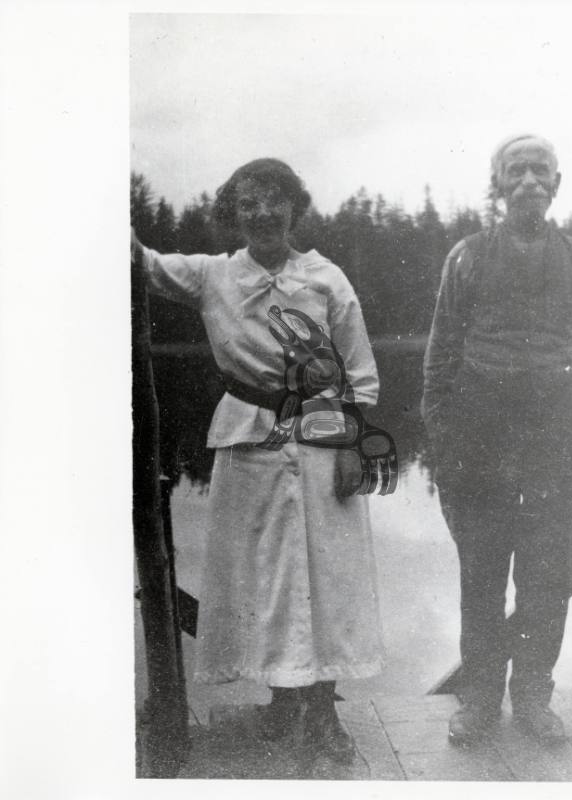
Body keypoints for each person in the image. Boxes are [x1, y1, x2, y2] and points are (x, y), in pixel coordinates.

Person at [131, 158, 387, 764]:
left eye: (274, 201)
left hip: (324, 442)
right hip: (249, 444)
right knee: (264, 576)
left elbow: (360, 370)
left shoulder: (327, 278)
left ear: (294, 208)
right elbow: (140, 261)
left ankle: (323, 712)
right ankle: (281, 700)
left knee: (326, 574)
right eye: (249, 203)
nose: (263, 214)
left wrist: (353, 445)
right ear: (233, 214)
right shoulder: (212, 276)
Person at [421, 135, 572, 746]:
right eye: (515, 171)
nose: (528, 180)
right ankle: (478, 698)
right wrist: (445, 444)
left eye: (539, 171)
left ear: (556, 183)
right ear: (498, 185)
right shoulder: (466, 258)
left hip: (556, 432)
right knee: (481, 571)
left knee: (547, 574)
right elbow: (440, 358)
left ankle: (532, 695)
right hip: (482, 434)